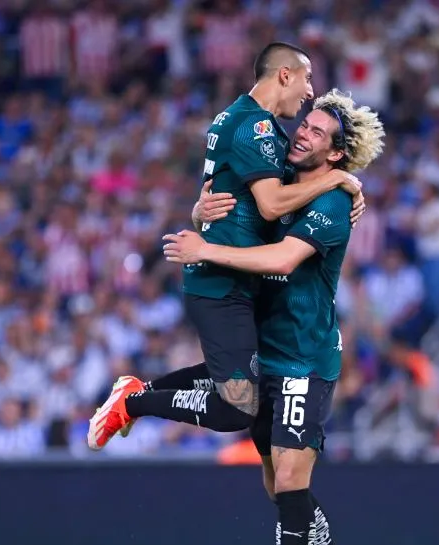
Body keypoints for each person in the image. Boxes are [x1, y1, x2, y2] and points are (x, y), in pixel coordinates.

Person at [162, 89, 385, 545]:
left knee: (289, 480)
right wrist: (200, 214)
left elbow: (283, 258)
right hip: (266, 353)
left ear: (335, 154)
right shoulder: (282, 187)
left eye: (316, 132)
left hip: (305, 360)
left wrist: (204, 251)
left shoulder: (331, 205)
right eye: (304, 123)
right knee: (280, 488)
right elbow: (236, 211)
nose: (301, 132)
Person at [87, 42, 363, 449]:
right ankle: (133, 402)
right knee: (237, 408)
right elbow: (271, 205)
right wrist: (337, 179)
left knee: (245, 377)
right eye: (306, 79)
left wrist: (200, 214)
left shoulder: (239, 119)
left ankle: (136, 392)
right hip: (220, 281)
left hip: (231, 278)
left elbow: (223, 195)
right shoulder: (256, 127)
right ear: (284, 75)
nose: (309, 91)